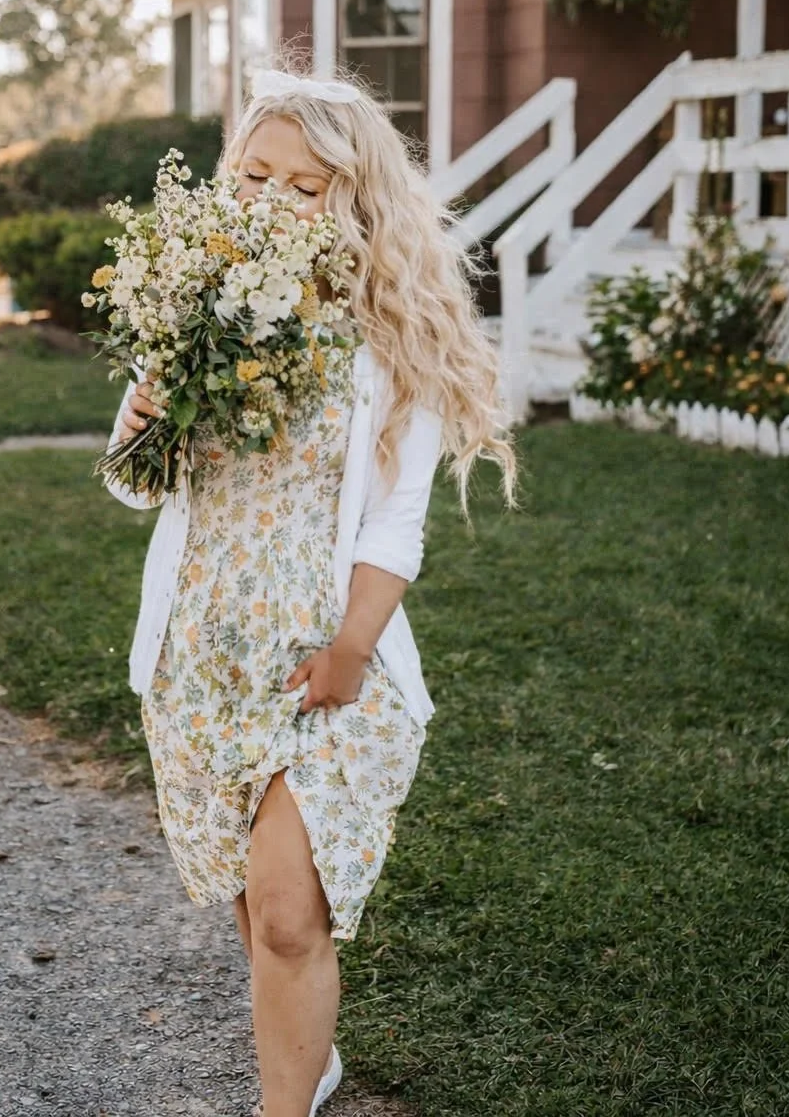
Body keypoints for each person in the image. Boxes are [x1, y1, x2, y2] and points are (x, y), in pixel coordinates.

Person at [104, 67, 515, 1117]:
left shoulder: (392, 334)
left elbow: (395, 519)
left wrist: (349, 652)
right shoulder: (200, 303)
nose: (274, 202)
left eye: (306, 186)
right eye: (255, 176)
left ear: (354, 195)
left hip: (324, 656)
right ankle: (311, 1057)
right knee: (256, 912)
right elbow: (138, 486)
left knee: (289, 912)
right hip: (202, 651)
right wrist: (143, 416)